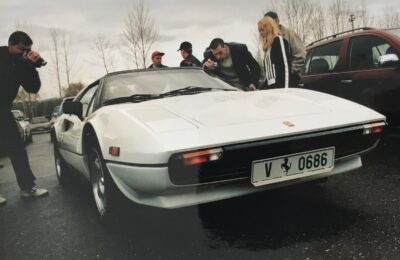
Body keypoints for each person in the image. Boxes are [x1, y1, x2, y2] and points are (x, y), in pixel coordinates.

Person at [0, 31, 49, 205]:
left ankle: (27, 188)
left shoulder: (22, 62)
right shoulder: (2, 57)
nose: (25, 53)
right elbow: (5, 78)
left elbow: (33, 88)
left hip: (3, 110)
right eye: (21, 49)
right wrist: (23, 64)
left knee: (17, 148)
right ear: (11, 44)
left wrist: (32, 66)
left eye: (28, 50)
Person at [264, 11, 306, 86]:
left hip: (290, 80)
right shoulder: (267, 39)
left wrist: (288, 72)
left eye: (269, 23)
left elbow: (300, 55)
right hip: (274, 82)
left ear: (277, 21)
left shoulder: (289, 34)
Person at [258, 16, 290, 89]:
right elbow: (270, 76)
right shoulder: (268, 47)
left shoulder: (279, 41)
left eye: (262, 30)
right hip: (271, 87)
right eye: (259, 31)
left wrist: (286, 90)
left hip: (281, 87)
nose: (260, 33)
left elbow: (286, 67)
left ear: (268, 28)